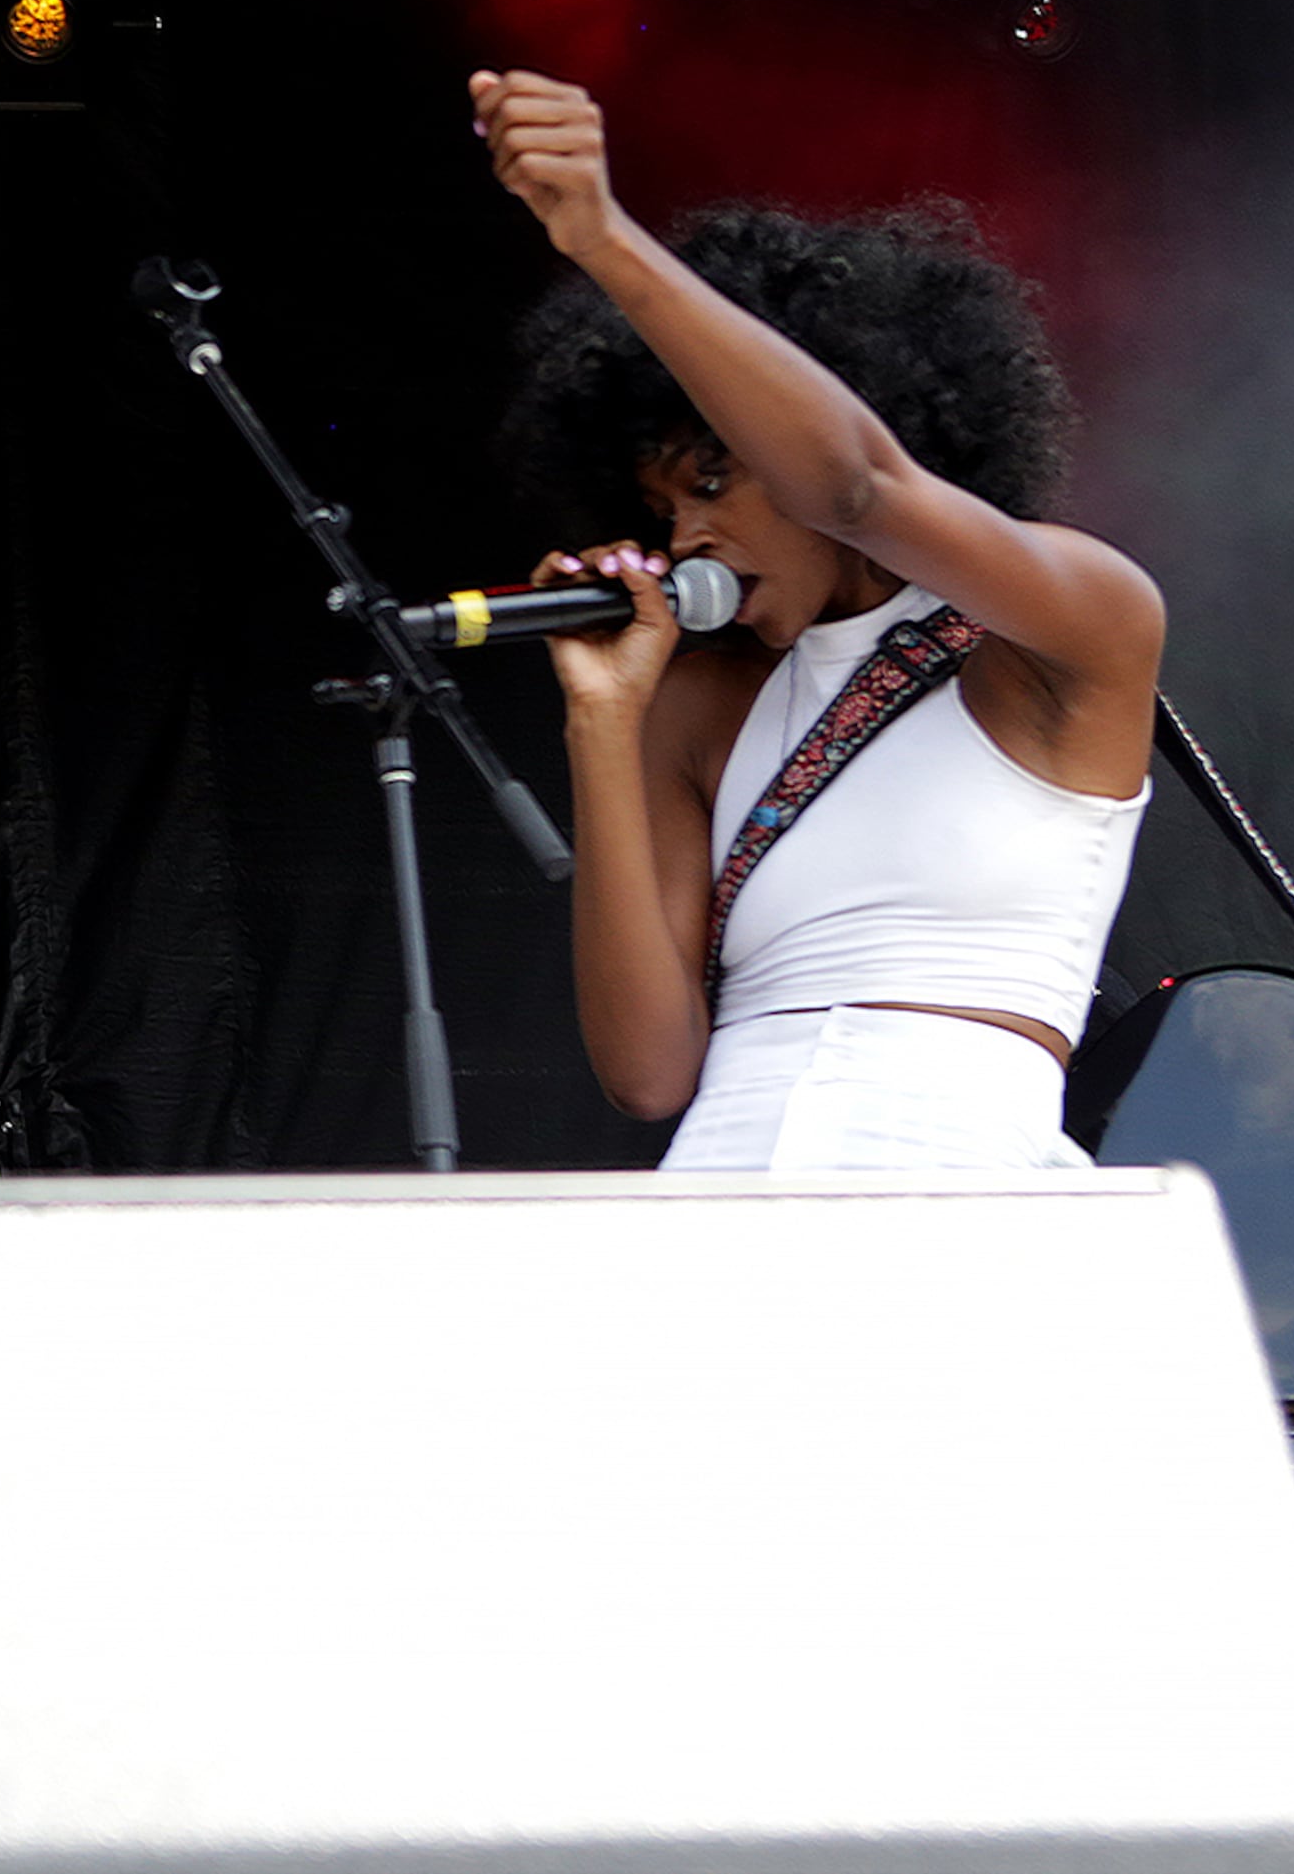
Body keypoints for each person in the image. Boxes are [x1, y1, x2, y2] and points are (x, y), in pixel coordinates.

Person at [474, 68, 1161, 1169]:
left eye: (712, 483)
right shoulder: (699, 706)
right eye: (663, 509)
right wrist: (601, 719)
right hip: (725, 1194)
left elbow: (854, 489)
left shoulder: (1072, 629)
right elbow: (648, 1072)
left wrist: (605, 239)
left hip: (952, 1183)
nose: (686, 537)